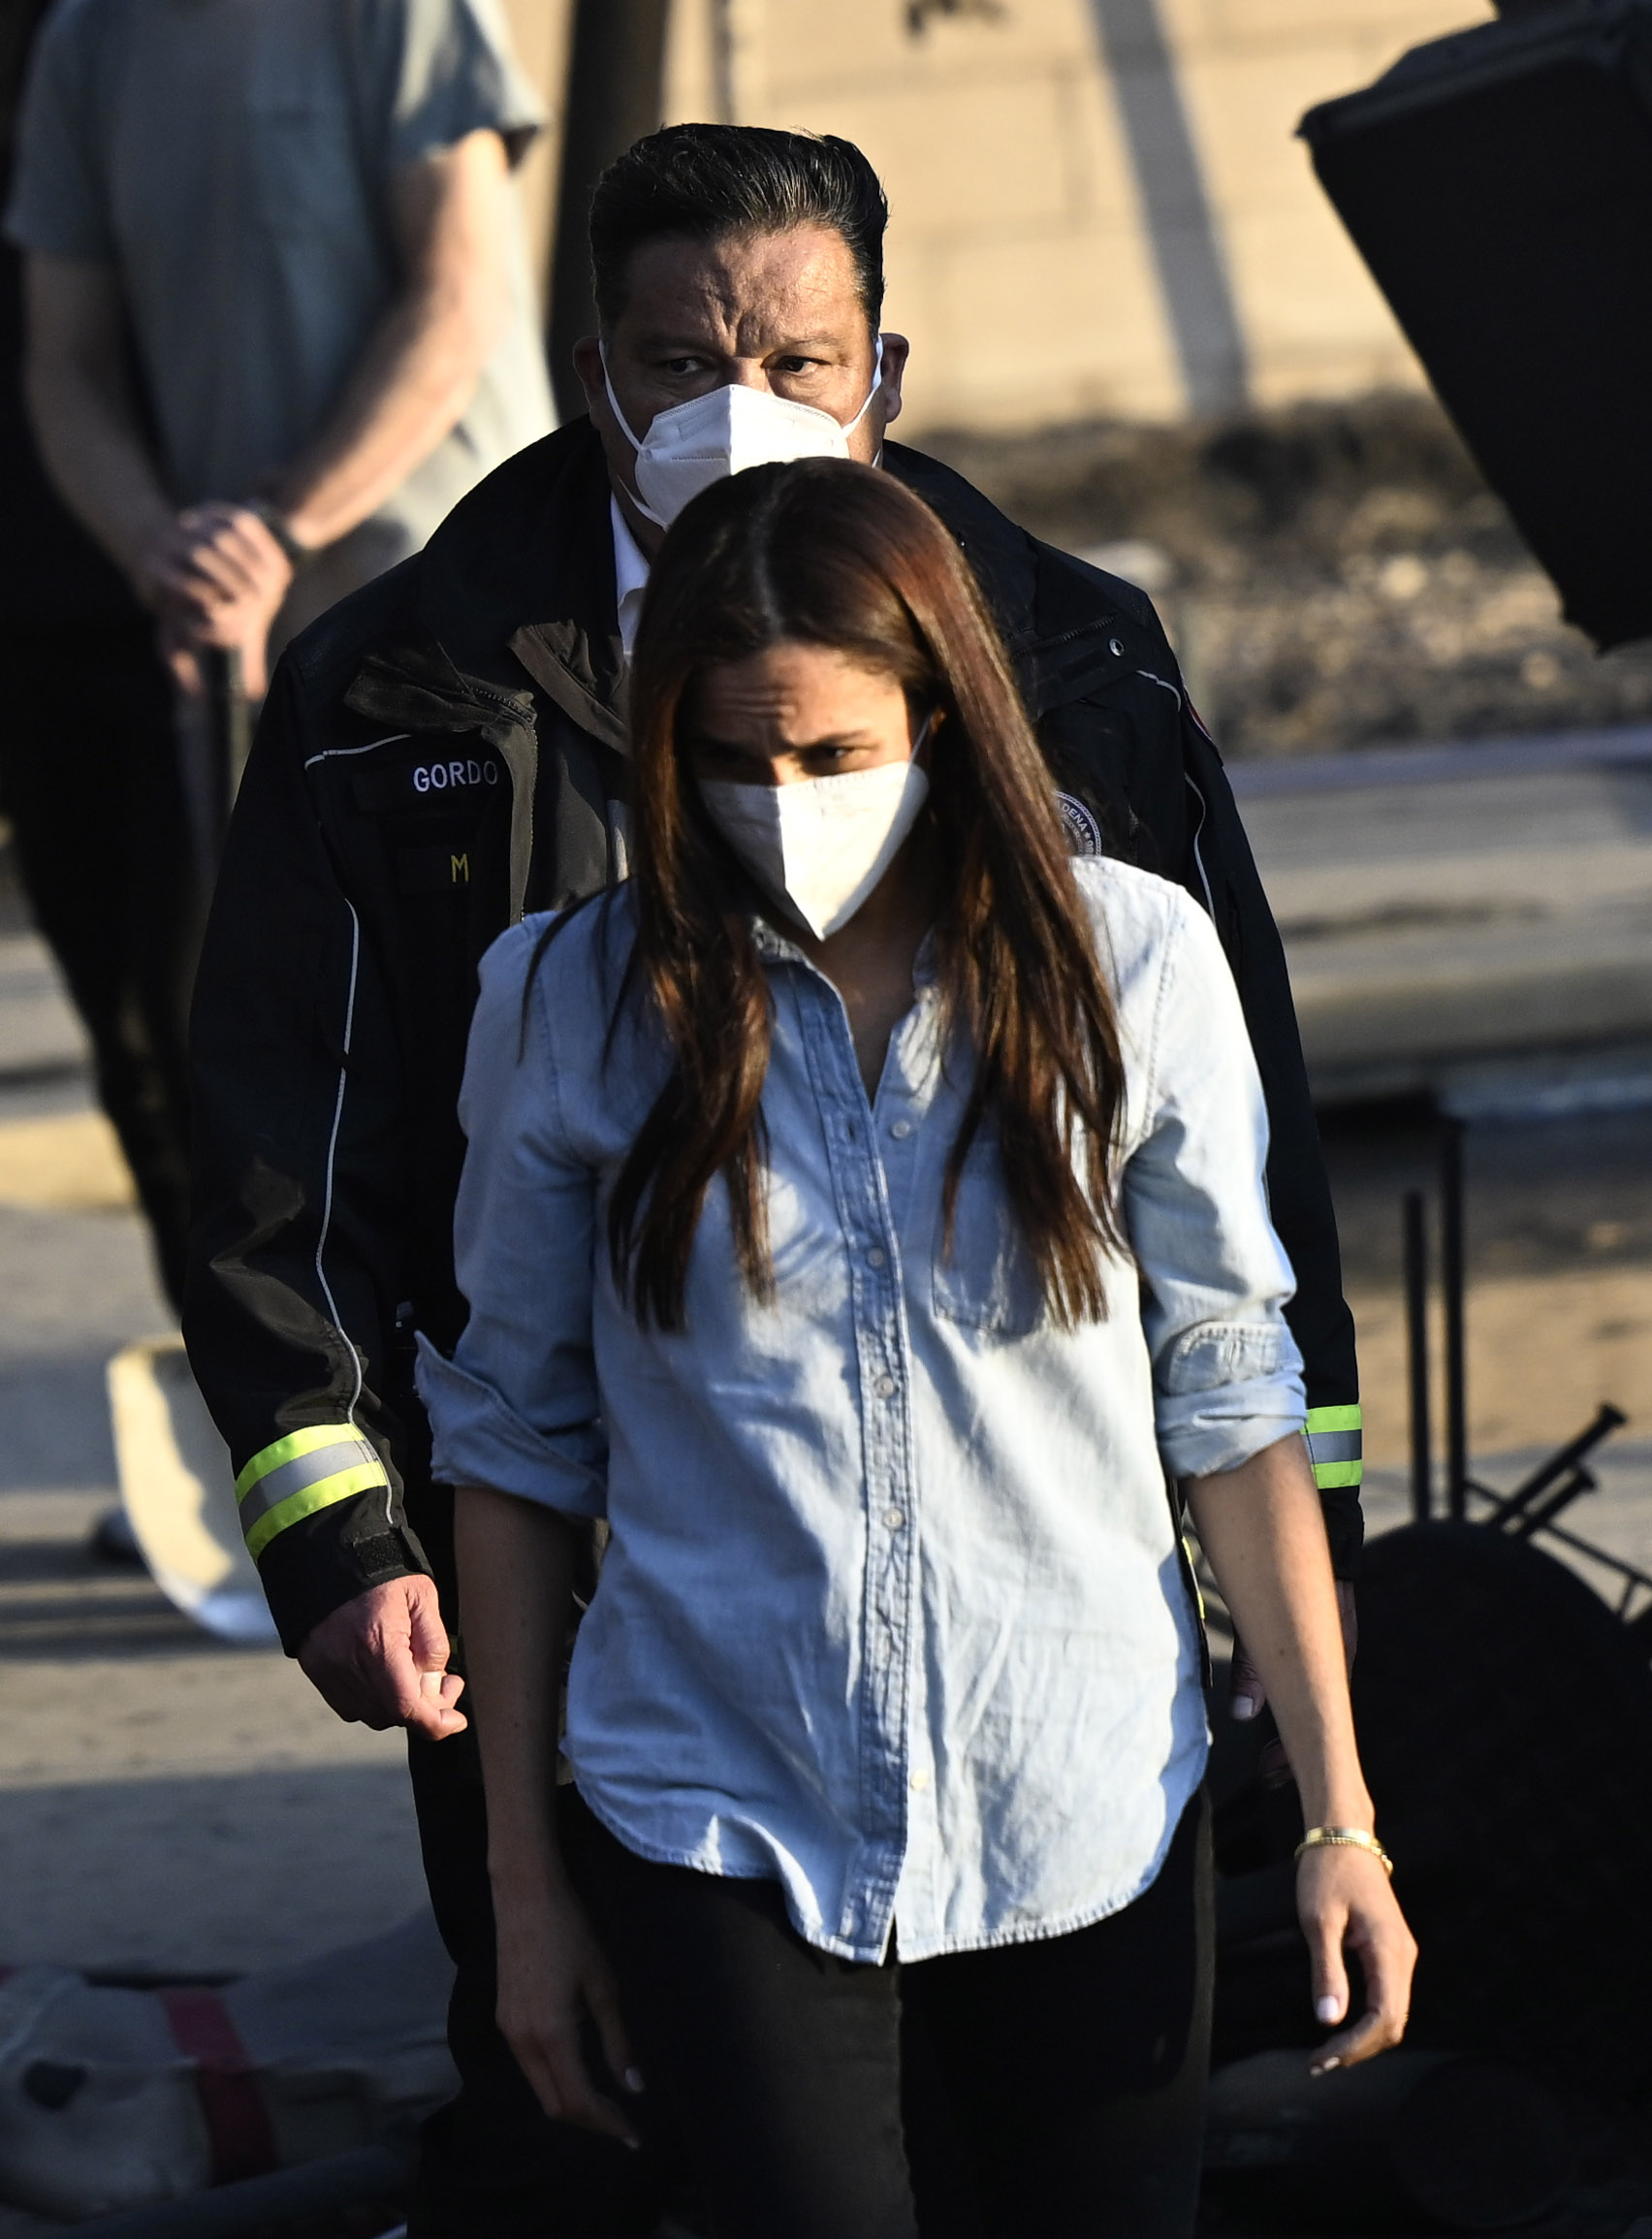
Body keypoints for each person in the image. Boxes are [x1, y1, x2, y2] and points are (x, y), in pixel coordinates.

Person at [181, 126, 1364, 2235]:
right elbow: (285, 1154)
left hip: (1054, 1709)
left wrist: (1310, 1629)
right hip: (600, 1646)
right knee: (580, 2143)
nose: (745, 411)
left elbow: (1231, 1263)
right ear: (588, 368)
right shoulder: (402, 698)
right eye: (680, 355)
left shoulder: (1072, 664)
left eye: (799, 357)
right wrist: (345, 1530)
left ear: (880, 372)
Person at [426, 457, 1416, 2239]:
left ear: (945, 719)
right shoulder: (565, 1003)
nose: (780, 800)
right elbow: (509, 1446)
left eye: (831, 753)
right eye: (730, 760)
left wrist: (1341, 1812)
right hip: (718, 1817)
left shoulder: (1134, 968)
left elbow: (1232, 1389)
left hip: (1090, 1804)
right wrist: (524, 1888)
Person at [5, 0, 556, 703]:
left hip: (456, 605)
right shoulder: (83, 37)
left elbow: (459, 301)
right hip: (248, 635)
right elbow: (67, 366)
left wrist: (278, 533)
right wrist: (161, 551)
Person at [0, 0, 194, 1308]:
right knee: (129, 1050)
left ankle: (299, 1426)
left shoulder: (128, 40)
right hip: (29, 619)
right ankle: (251, 1419)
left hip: (180, 600)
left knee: (202, 1041)